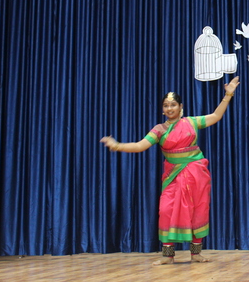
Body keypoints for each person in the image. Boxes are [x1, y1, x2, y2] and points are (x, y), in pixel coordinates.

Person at [100, 77, 240, 265]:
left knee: (197, 211)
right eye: (166, 105)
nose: (169, 108)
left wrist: (228, 95)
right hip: (173, 177)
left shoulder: (191, 122)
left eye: (173, 105)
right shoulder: (159, 130)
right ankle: (168, 256)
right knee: (166, 210)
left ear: (181, 107)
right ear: (162, 109)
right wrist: (117, 145)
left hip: (196, 175)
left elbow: (215, 116)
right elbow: (140, 146)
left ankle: (195, 254)